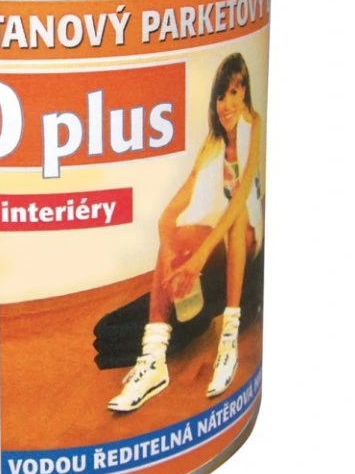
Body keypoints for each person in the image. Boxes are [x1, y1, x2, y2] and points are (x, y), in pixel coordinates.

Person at [108, 52, 263, 412]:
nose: (227, 104)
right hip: (215, 246)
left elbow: (239, 200)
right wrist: (174, 258)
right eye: (221, 95)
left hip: (246, 239)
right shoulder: (210, 147)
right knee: (171, 234)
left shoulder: (253, 125)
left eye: (235, 92)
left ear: (245, 93)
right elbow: (166, 217)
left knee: (236, 214)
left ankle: (228, 340)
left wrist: (197, 259)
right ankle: (154, 359)